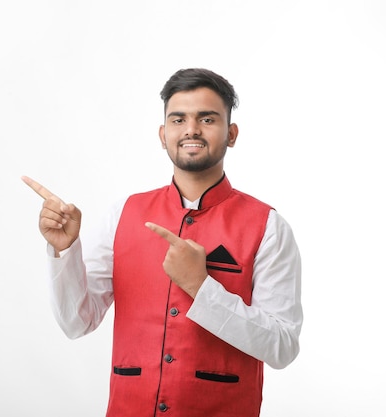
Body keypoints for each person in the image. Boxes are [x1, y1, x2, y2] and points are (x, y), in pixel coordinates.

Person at [22, 68, 302, 417]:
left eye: (207, 118)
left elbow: (283, 347)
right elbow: (76, 322)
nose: (191, 130)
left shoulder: (268, 227)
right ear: (162, 133)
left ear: (231, 134)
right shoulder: (124, 214)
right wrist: (64, 251)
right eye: (178, 119)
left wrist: (202, 289)